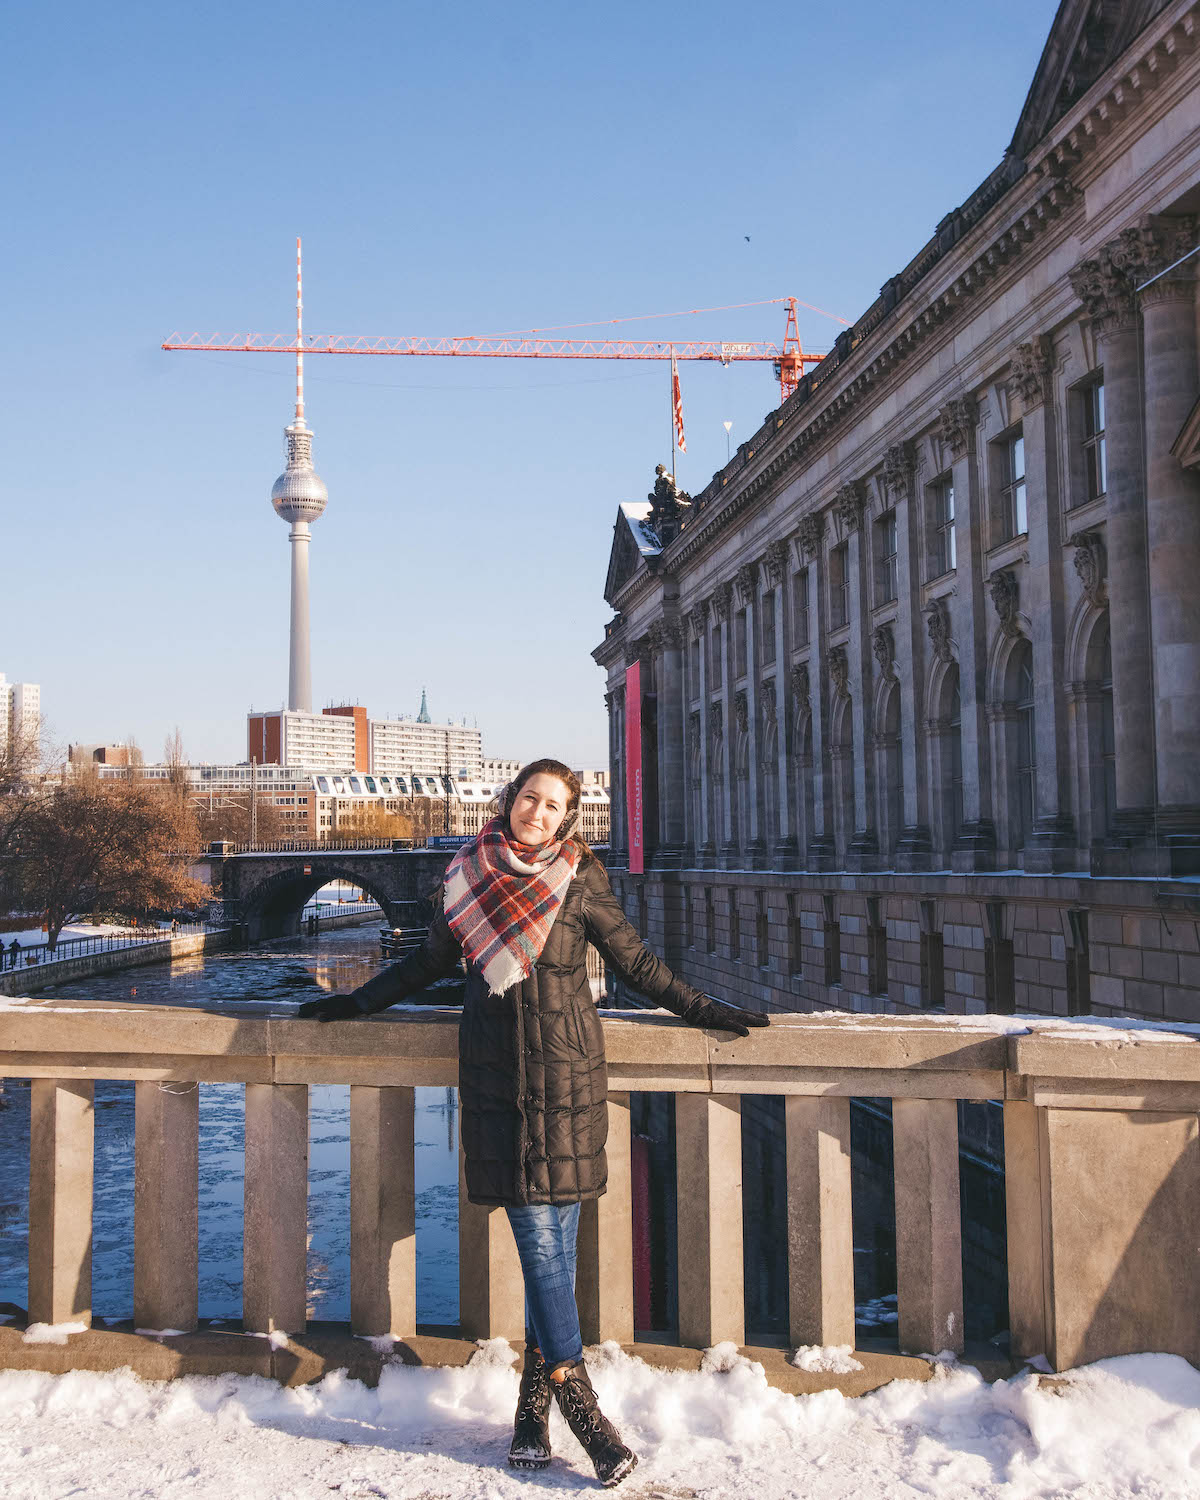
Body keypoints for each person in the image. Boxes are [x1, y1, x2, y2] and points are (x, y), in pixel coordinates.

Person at [299, 758, 768, 1488]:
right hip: (495, 1080)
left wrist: (708, 1011)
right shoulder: (466, 873)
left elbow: (636, 964)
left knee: (557, 1248)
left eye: (553, 807)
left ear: (567, 818)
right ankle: (586, 1415)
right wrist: (355, 1002)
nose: (538, 814)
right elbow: (427, 962)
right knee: (541, 1247)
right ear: (510, 800)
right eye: (530, 799)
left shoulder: (581, 878)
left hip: (569, 1076)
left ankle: (530, 1412)